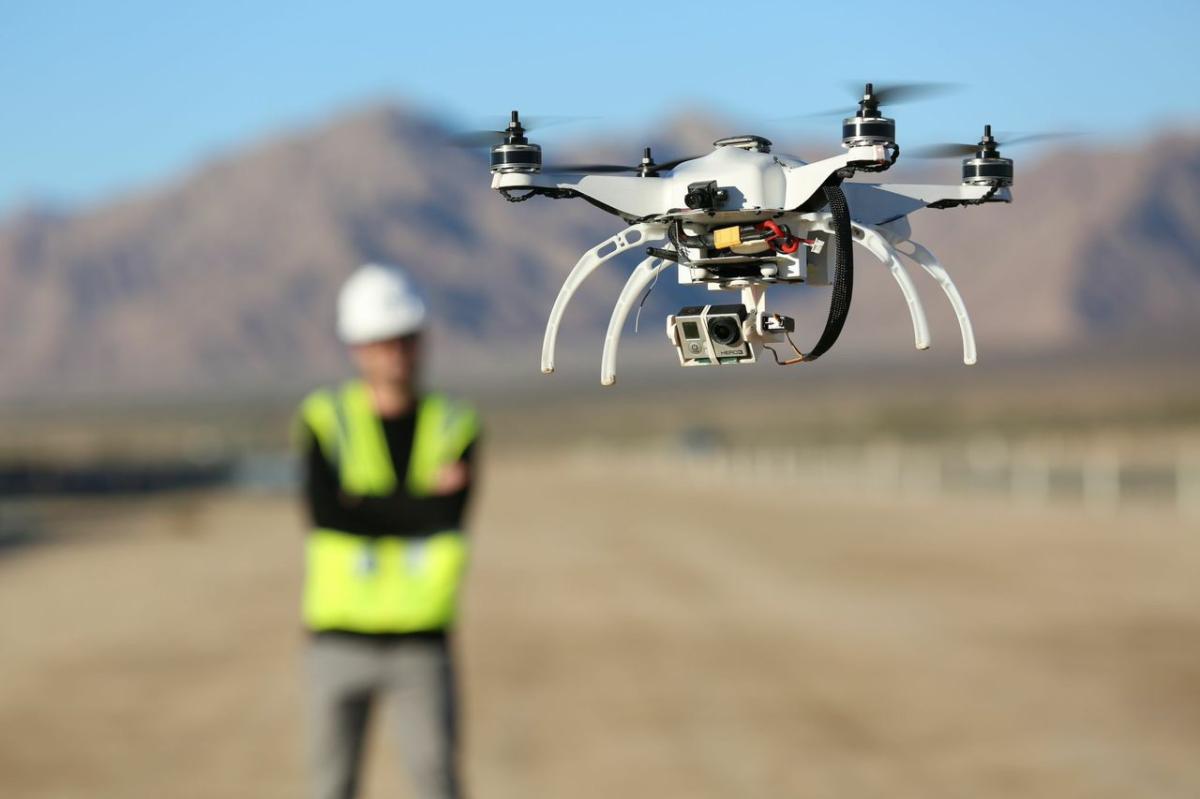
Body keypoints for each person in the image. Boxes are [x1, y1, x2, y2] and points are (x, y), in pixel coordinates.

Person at [295, 262, 479, 799]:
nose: (394, 353)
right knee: (330, 786)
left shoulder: (456, 421)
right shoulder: (323, 417)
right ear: (357, 348)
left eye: (403, 340)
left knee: (435, 784)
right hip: (336, 639)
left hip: (423, 643)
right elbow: (327, 514)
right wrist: (419, 504)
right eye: (381, 342)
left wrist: (366, 508)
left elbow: (450, 516)